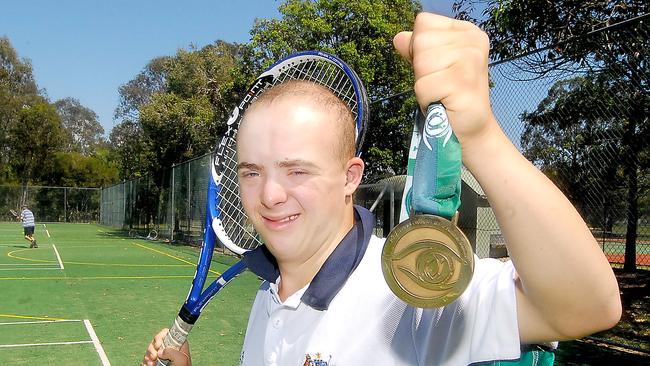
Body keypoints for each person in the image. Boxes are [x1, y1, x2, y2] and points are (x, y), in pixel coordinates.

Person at [142, 12, 621, 366]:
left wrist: (481, 136)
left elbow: (586, 306)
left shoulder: (410, 293)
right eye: (251, 172)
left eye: (297, 171)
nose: (269, 194)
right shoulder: (271, 295)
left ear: (351, 177)